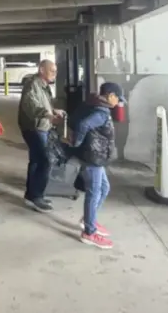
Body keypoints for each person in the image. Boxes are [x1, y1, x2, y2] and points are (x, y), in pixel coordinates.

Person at [68, 82, 125, 249]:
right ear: (110, 95)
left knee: (104, 188)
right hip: (93, 158)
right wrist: (77, 142)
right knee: (94, 193)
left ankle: (89, 220)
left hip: (96, 157)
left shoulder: (92, 103)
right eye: (118, 98)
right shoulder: (101, 112)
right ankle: (89, 232)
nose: (118, 102)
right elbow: (83, 125)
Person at [18, 59, 64, 213]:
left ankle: (31, 195)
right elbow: (31, 105)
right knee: (45, 160)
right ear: (42, 70)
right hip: (34, 128)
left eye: (55, 71)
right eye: (52, 71)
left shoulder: (43, 85)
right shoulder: (32, 84)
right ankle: (36, 196)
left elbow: (43, 103)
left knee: (36, 161)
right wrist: (48, 115)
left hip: (41, 126)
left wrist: (53, 110)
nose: (55, 74)